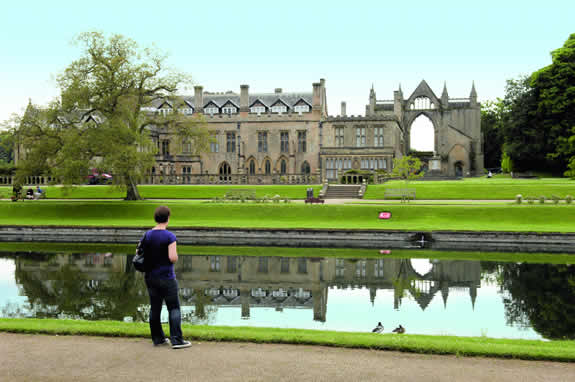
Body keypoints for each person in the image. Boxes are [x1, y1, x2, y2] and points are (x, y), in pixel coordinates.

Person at [143, 206, 191, 349]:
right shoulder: (170, 236)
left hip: (151, 277)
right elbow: (173, 258)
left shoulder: (147, 235)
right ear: (168, 218)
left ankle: (158, 339)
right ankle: (177, 340)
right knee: (174, 308)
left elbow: (138, 251)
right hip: (167, 277)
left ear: (155, 219)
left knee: (155, 308)